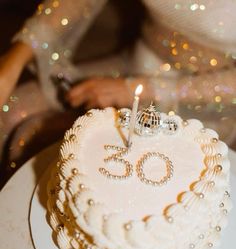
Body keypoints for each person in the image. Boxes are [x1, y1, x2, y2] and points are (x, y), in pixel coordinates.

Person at [0, 0, 236, 167]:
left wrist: (137, 89)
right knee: (11, 109)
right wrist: (16, 59)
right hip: (135, 65)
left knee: (31, 139)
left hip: (204, 101)